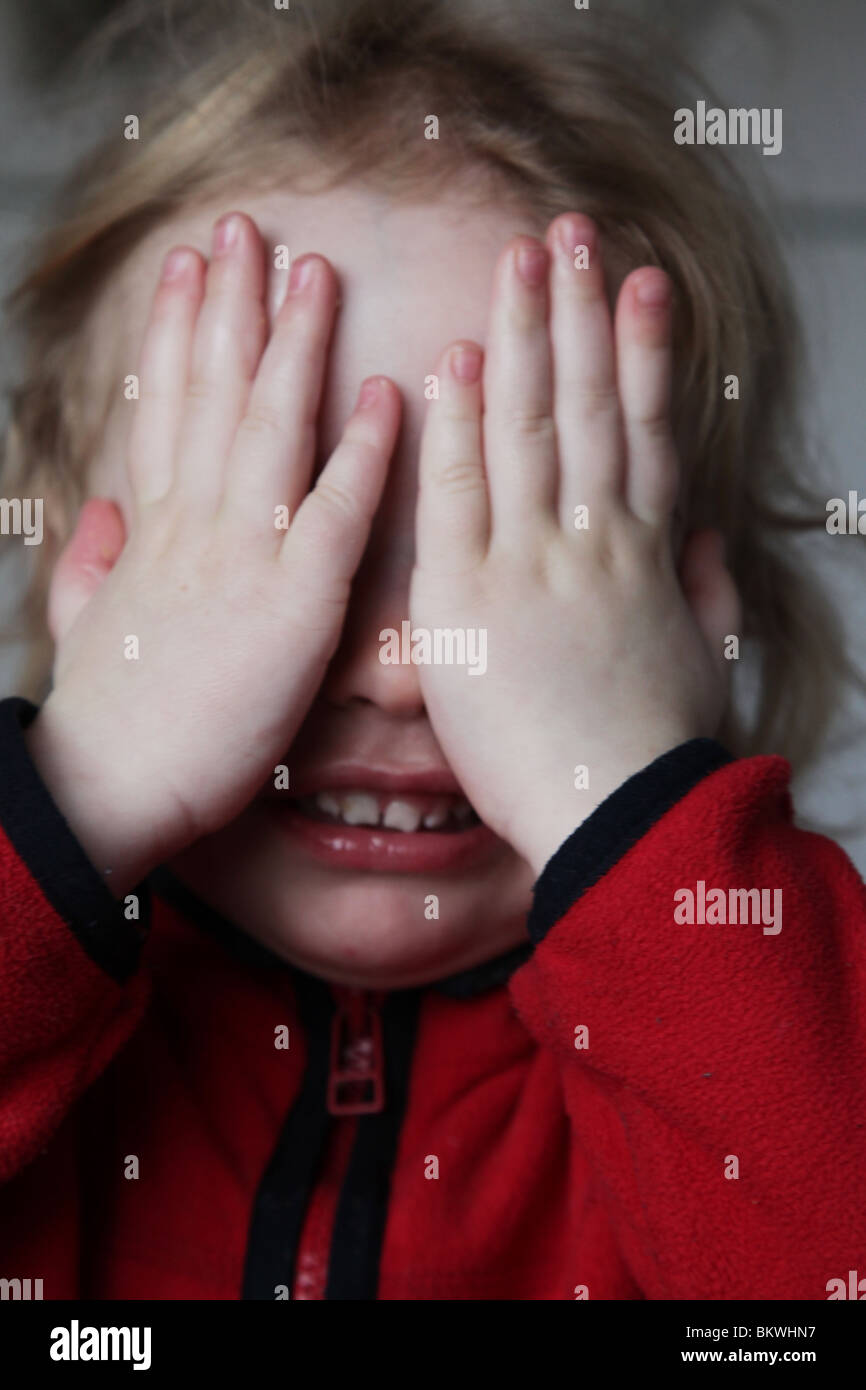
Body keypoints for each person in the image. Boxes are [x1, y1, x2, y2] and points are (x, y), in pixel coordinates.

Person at [1, 0, 864, 1300]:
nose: (400, 667)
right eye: (275, 532)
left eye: (527, 552)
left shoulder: (775, 1016)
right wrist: (84, 790)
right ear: (85, 574)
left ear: (695, 608)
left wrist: (616, 799)